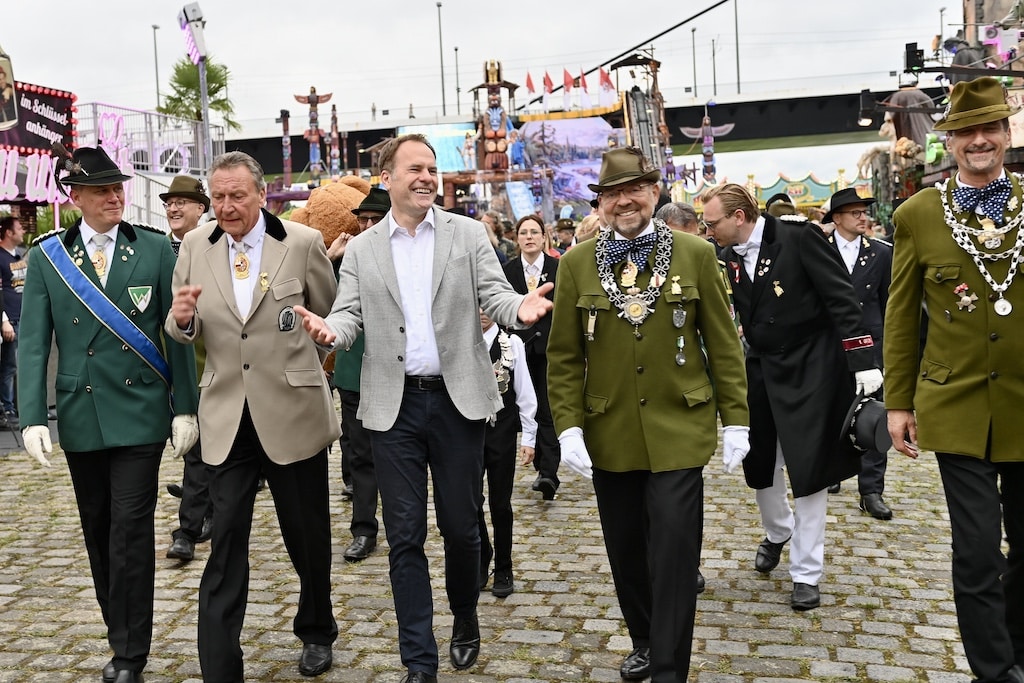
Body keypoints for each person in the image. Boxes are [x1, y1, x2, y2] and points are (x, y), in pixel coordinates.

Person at [293, 133, 553, 683]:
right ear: (386, 178)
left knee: (462, 530)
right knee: (405, 534)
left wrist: (521, 308)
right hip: (393, 408)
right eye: (415, 168)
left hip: (458, 403)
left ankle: (464, 616)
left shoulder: (467, 233)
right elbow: (347, 317)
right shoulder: (364, 249)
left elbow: (496, 296)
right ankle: (419, 658)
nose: (427, 177)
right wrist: (326, 332)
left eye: (432, 168)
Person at [547, 147, 750, 682]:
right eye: (612, 194)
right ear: (602, 203)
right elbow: (565, 356)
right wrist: (566, 427)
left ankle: (668, 668)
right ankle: (644, 637)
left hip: (679, 426)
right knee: (627, 551)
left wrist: (737, 419)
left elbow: (723, 345)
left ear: (654, 193)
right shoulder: (575, 263)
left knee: (675, 552)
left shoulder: (694, 254)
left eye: (633, 190)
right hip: (608, 430)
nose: (623, 201)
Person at [18, 144, 199, 683]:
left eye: (118, 187)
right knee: (98, 530)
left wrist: (184, 408)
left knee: (131, 531)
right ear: (75, 197)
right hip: (82, 412)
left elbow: (177, 338)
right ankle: (117, 626)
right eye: (101, 189)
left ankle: (129, 653)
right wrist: (32, 416)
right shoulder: (49, 256)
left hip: (140, 411)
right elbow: (33, 344)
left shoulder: (153, 249)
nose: (115, 196)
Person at [165, 151, 339, 681]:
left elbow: (331, 313)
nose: (226, 207)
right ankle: (220, 663)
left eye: (237, 196)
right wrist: (183, 320)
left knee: (306, 535)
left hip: (292, 412)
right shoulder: (195, 247)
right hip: (227, 416)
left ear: (261, 195)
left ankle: (316, 628)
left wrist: (318, 339)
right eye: (217, 197)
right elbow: (181, 327)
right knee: (225, 542)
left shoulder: (302, 244)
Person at [885, 77, 1024, 683]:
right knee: (975, 550)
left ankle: (1018, 647)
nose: (978, 140)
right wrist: (897, 403)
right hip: (956, 401)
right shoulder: (918, 213)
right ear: (950, 142)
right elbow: (899, 314)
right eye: (966, 131)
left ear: (1006, 134)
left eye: (989, 128)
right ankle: (993, 671)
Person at [702, 182, 881, 612]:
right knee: (759, 464)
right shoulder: (725, 257)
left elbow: (842, 298)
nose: (709, 232)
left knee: (809, 468)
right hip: (759, 370)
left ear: (739, 217)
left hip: (811, 369)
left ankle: (806, 571)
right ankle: (778, 530)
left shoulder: (799, 239)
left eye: (713, 224)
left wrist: (863, 361)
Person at [823, 188, 893, 521]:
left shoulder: (880, 253)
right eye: (855, 212)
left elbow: (888, 301)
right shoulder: (820, 251)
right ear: (837, 219)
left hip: (870, 345)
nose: (863, 217)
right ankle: (833, 471)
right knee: (831, 411)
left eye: (863, 212)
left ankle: (871, 490)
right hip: (830, 345)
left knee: (874, 416)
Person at [332, 187, 390, 563]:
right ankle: (364, 529)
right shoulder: (347, 258)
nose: (366, 225)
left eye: (374, 219)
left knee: (399, 458)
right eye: (362, 219)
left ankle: (403, 524)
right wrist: (330, 259)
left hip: (396, 371)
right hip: (354, 371)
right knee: (361, 457)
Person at [160, 175, 215, 563]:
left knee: (200, 449)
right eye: (169, 202)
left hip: (210, 365)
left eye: (183, 202)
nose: (174, 208)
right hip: (168, 365)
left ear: (201, 208)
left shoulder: (216, 248)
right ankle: (206, 507)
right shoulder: (157, 250)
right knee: (198, 450)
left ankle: (188, 530)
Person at [477, 308, 537, 596]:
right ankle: (481, 555)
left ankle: (504, 566)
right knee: (469, 502)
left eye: (487, 306)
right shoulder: (462, 341)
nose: (481, 312)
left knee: (500, 504)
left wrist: (529, 436)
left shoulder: (511, 344)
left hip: (501, 432)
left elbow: (525, 392)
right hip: (468, 433)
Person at [502, 215, 560, 500]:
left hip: (549, 350)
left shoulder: (557, 269)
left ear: (544, 237)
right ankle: (536, 459)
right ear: (516, 239)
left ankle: (548, 472)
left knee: (548, 407)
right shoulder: (507, 271)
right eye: (523, 232)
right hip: (518, 350)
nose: (529, 237)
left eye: (534, 232)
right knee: (526, 405)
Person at [0, 215, 26, 428]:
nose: (23, 231)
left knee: (20, 366)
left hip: (24, 317)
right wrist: (4, 320)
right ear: (8, 232)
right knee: (8, 366)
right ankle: (7, 409)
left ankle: (20, 407)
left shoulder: (19, 255)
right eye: (19, 228)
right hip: (10, 319)